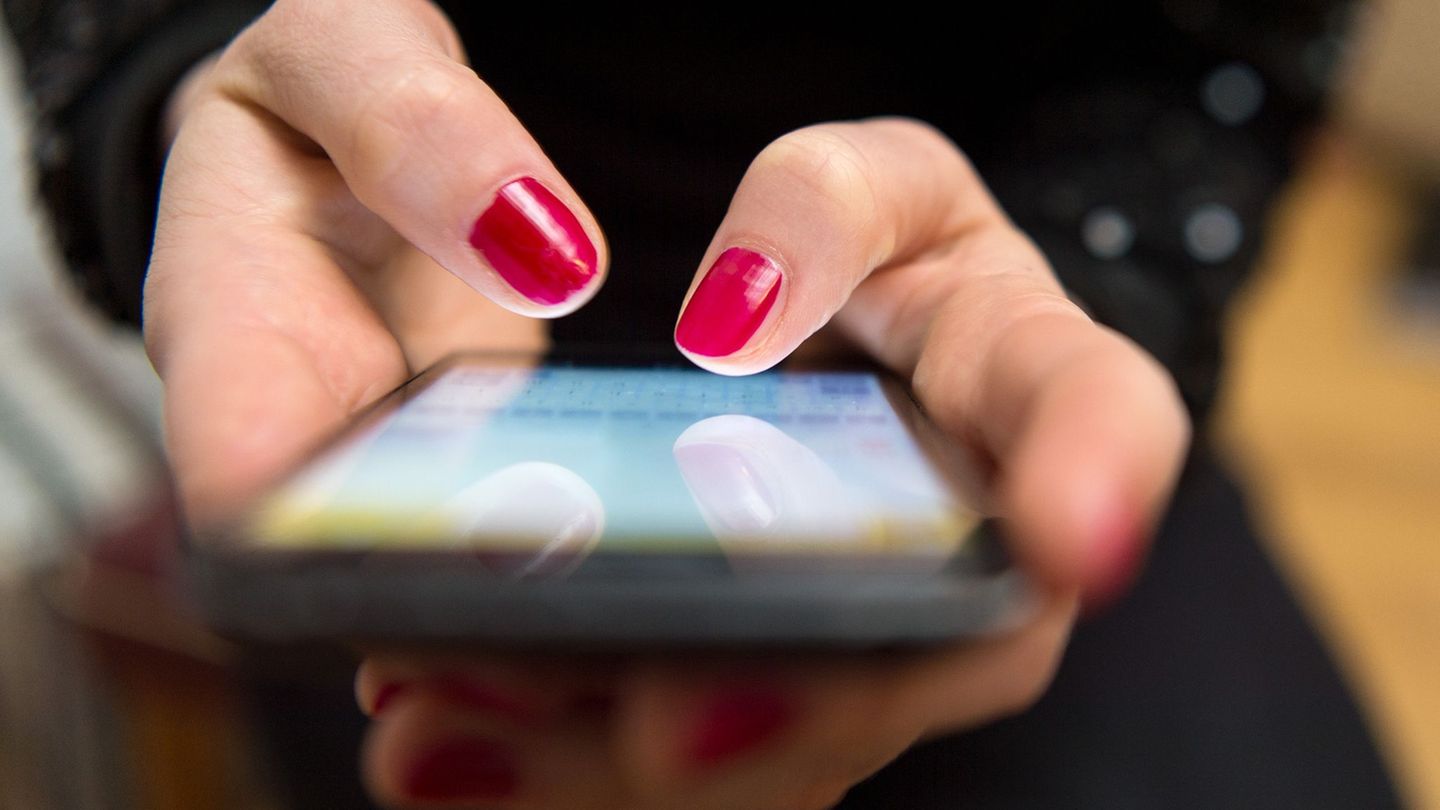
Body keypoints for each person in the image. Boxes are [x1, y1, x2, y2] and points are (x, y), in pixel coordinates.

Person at [1, 1, 1402, 807]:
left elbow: (1224, 60)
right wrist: (210, 81)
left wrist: (1083, 277)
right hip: (417, 349)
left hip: (945, 346)